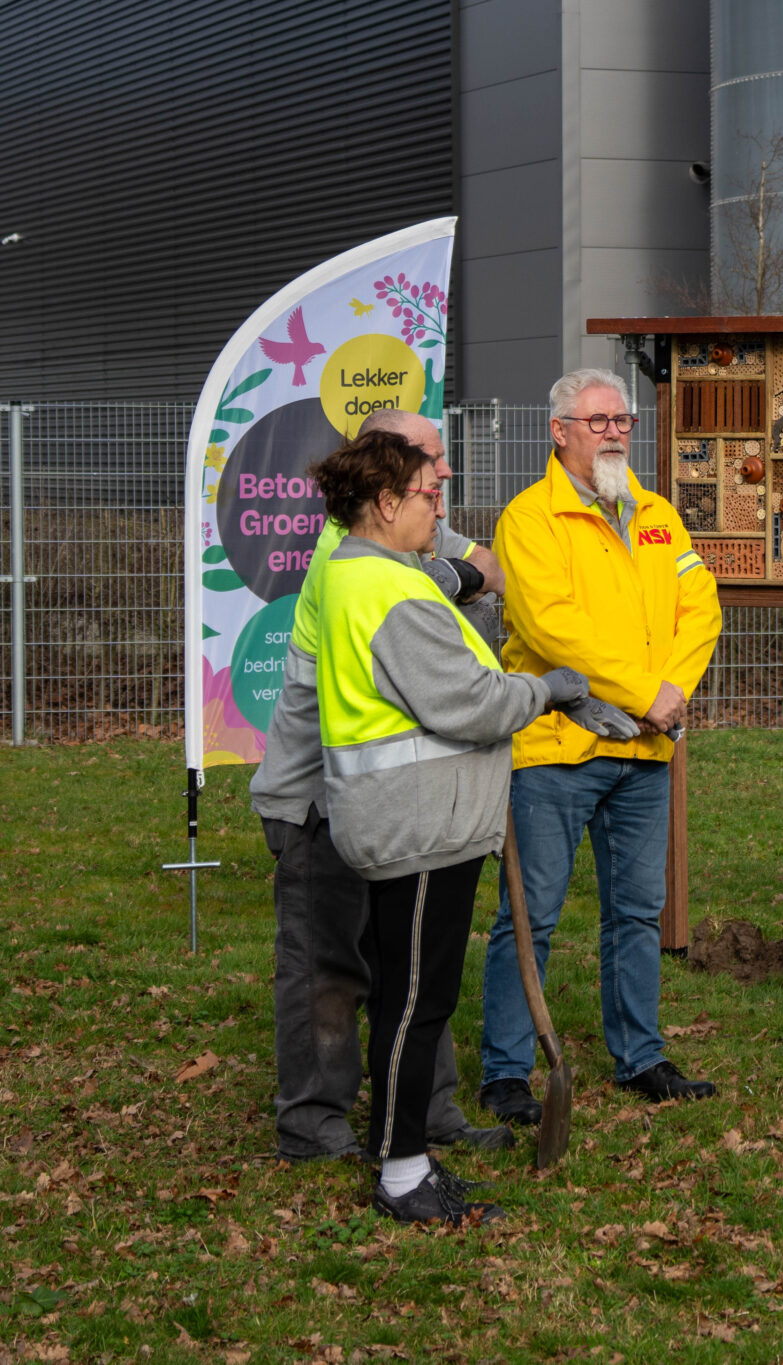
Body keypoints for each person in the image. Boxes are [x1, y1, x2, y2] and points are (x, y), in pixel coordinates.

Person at [305, 429, 599, 1223]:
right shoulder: (388, 591)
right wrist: (548, 689)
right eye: (428, 493)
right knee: (417, 1000)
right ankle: (403, 1174)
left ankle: (398, 1152)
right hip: (419, 824)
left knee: (407, 995)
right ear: (385, 502)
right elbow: (468, 702)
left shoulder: (361, 572)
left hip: (404, 819)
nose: (440, 505)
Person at [251, 408, 508, 1163]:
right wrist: (447, 580)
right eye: (428, 458)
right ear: (382, 479)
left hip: (392, 794)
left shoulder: (409, 536)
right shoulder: (348, 552)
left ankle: (427, 1113)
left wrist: (448, 572)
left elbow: (492, 567)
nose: (444, 472)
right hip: (319, 795)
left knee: (412, 961)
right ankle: (313, 1124)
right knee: (329, 964)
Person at [478, 368, 723, 1121]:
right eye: (598, 421)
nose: (615, 432)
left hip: (645, 750)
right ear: (560, 433)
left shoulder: (657, 515)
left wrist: (670, 691)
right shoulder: (529, 519)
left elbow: (701, 606)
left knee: (638, 913)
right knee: (532, 917)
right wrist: (644, 692)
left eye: (623, 420)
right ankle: (506, 1071)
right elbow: (553, 629)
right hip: (556, 749)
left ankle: (639, 1057)